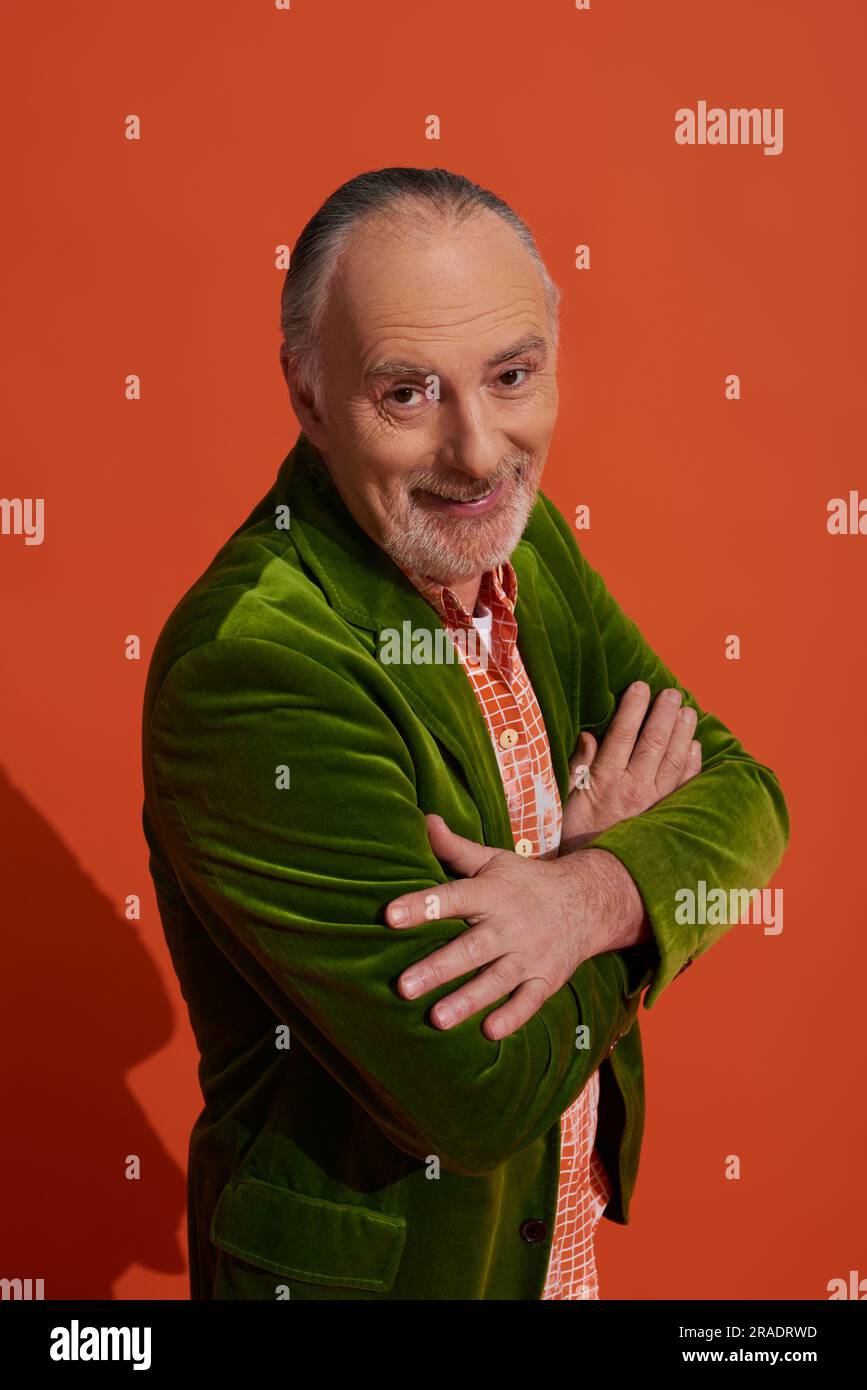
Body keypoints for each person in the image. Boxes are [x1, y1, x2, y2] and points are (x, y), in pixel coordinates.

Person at [141, 166, 789, 1300]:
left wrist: (588, 896)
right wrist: (622, 865)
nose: (480, 452)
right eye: (407, 393)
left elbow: (747, 799)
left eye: (511, 375)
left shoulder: (524, 546)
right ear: (307, 393)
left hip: (549, 1263)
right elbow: (471, 1093)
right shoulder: (256, 667)